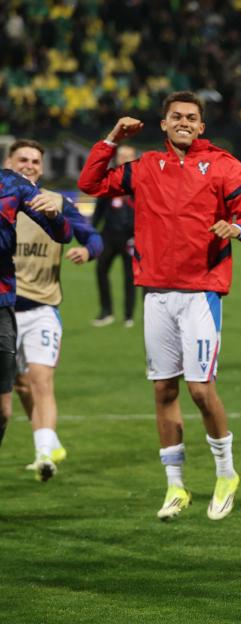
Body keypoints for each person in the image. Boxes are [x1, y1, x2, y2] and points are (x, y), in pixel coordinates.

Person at [78, 91, 241, 521]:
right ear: (163, 124)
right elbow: (90, 184)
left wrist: (235, 226)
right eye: (176, 116)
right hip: (157, 295)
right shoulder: (145, 167)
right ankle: (176, 487)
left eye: (192, 117)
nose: (184, 122)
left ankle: (226, 473)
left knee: (200, 390)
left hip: (201, 293)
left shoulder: (223, 165)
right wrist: (110, 139)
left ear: (202, 126)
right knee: (164, 389)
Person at [5, 139, 103, 482]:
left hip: (42, 309)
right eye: (23, 159)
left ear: (42, 168)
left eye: (35, 160)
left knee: (41, 379)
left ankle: (45, 454)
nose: (29, 165)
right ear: (8, 162)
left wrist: (87, 252)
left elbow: (92, 237)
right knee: (20, 385)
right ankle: (46, 440)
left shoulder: (57, 202)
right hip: (5, 311)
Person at [0, 159, 70, 451]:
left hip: (2, 303)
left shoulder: (12, 184)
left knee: (2, 411)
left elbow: (63, 234)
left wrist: (54, 215)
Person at [92, 144, 137, 328]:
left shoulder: (140, 181)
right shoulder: (109, 180)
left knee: (130, 277)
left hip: (130, 236)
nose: (124, 159)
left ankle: (128, 316)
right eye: (121, 156)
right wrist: (92, 231)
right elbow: (100, 208)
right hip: (108, 234)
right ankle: (106, 312)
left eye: (128, 156)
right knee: (100, 270)